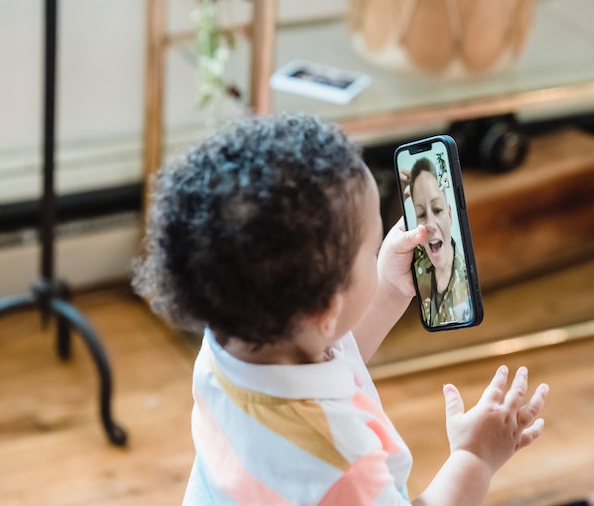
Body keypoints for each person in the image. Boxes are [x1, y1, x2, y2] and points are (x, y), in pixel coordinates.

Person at [134, 113, 549, 505]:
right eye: (370, 251)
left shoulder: (227, 345)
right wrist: (474, 458)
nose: (378, 253)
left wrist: (386, 288)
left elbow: (329, 356)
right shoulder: (339, 464)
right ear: (326, 308)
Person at [407, 158, 472, 326]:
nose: (429, 224)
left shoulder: (467, 277)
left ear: (449, 214)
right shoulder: (415, 268)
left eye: (437, 210)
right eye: (421, 214)